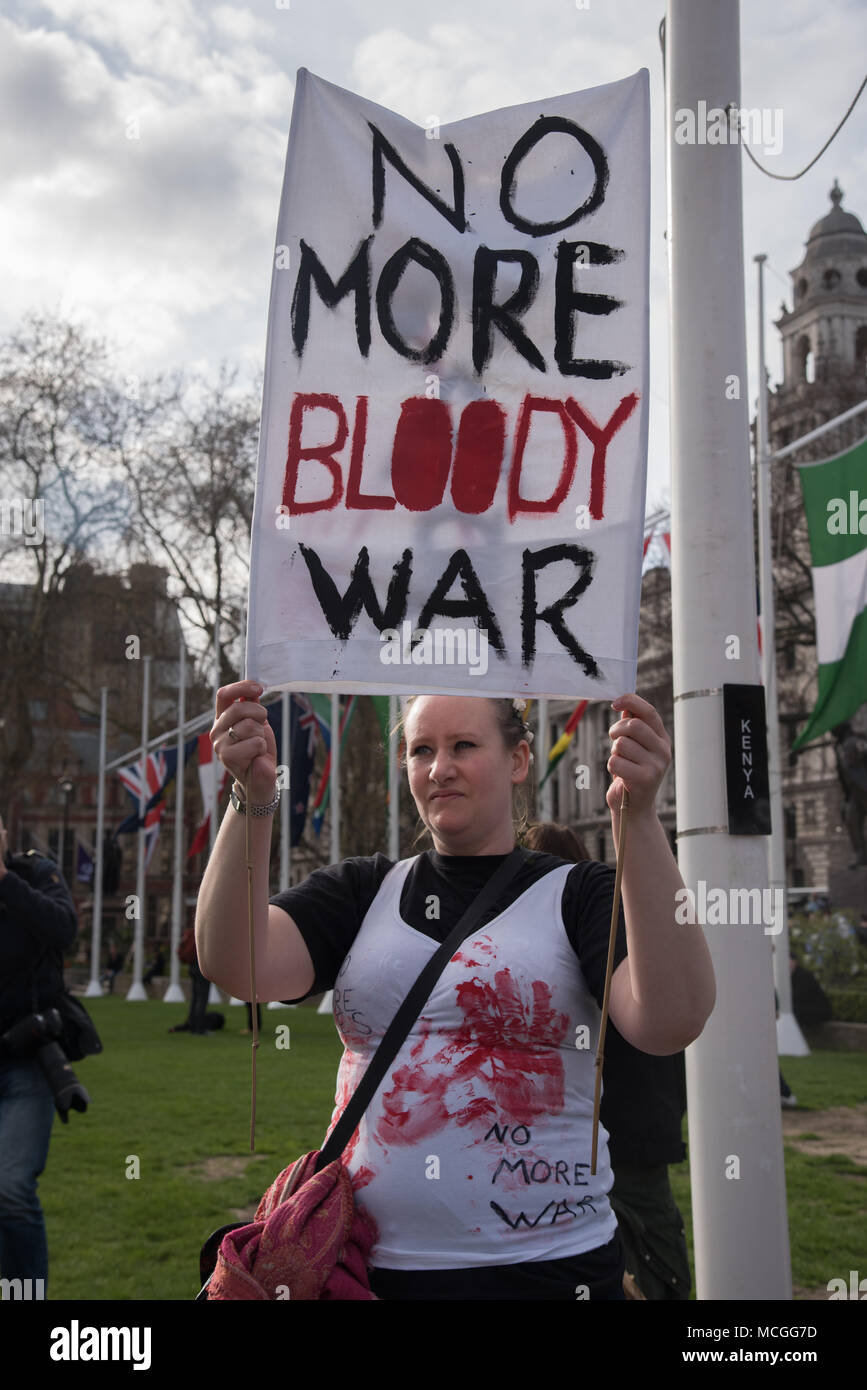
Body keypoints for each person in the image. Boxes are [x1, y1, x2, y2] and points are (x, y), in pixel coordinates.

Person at [196, 681, 716, 1301]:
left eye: (464, 745)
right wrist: (250, 798)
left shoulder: (579, 893)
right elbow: (237, 962)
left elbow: (671, 1018)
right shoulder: (367, 891)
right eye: (421, 751)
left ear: (518, 759)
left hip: (553, 1272)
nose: (440, 768)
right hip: (374, 1270)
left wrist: (640, 817)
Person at [523, 822, 691, 1300]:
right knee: (656, 1268)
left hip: (591, 1146)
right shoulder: (617, 918)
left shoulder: (567, 928)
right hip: (643, 1137)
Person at [0, 813, 78, 1292]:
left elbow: (64, 929)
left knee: (10, 1187)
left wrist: (5, 882)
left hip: (26, 1058)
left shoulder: (34, 875)